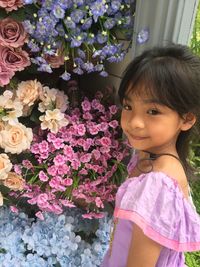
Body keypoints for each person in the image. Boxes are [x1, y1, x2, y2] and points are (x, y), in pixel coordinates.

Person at [101, 44, 200, 267]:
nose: (134, 122)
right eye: (128, 105)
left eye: (153, 111)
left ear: (186, 119)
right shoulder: (150, 158)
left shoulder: (158, 184)